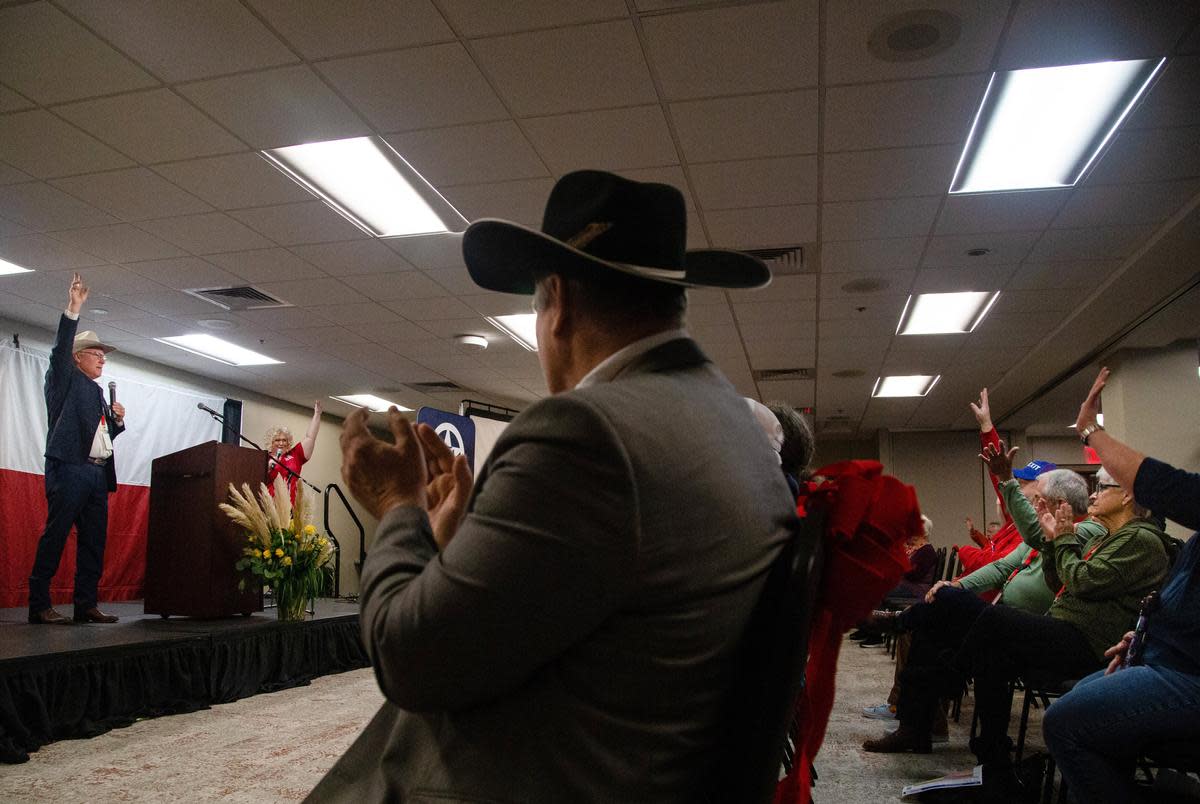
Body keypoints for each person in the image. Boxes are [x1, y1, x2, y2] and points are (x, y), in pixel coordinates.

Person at [308, 170, 798, 803]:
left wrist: (397, 508)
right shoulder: (732, 423)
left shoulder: (586, 433)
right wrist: (454, 544)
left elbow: (411, 661)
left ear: (557, 300)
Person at [1042, 367, 1200, 804]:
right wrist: (1143, 639)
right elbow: (1181, 598)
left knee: (1063, 722)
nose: (1093, 494)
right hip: (1167, 657)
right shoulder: (1117, 535)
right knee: (1079, 700)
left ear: (1128, 495)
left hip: (1187, 676)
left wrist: (1091, 429)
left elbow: (1080, 581)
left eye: (1105, 486)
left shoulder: (1140, 538)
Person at [862, 466, 1098, 750]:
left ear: (1061, 505)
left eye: (1038, 499)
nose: (1034, 506)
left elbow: (1045, 555)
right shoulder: (1045, 533)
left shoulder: (1084, 532)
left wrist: (1008, 484)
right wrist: (959, 584)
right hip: (1001, 615)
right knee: (938, 611)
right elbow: (1001, 567)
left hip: (1031, 627)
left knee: (941, 610)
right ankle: (915, 727)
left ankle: (905, 627)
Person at [27, 272, 126, 625]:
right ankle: (39, 603)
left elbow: (99, 438)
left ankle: (86, 604)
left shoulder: (97, 393)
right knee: (56, 535)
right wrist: (73, 308)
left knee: (93, 542)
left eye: (103, 355)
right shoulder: (62, 379)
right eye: (96, 354)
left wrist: (116, 423)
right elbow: (58, 350)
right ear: (77, 358)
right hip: (69, 468)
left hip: (96, 473)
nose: (102, 360)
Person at [957, 389, 1056, 575]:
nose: (1017, 485)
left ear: (1042, 491)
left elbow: (993, 564)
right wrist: (986, 426)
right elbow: (998, 476)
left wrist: (967, 553)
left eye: (1024, 482)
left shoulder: (1033, 529)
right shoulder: (1015, 517)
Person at [265, 400, 322, 502]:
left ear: (288, 442)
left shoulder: (295, 455)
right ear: (271, 442)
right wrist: (269, 466)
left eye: (284, 440)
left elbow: (310, 437)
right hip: (270, 506)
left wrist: (317, 415)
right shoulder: (263, 458)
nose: (281, 443)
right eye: (277, 440)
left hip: (292, 506)